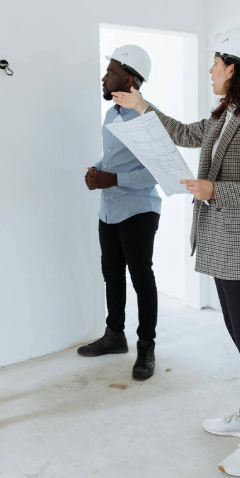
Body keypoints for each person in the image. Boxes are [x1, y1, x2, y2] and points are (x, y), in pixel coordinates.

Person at [111, 26, 240, 476]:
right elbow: (186, 133)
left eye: (215, 62)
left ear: (234, 67)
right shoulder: (228, 112)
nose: (210, 69)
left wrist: (215, 189)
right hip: (223, 246)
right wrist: (141, 106)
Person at [78, 45, 161, 381]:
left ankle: (146, 347)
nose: (104, 76)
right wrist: (96, 170)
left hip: (139, 211)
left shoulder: (147, 118)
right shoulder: (112, 114)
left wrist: (111, 179)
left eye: (110, 72)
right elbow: (112, 159)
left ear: (128, 79)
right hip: (109, 210)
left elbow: (155, 173)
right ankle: (115, 336)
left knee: (141, 278)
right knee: (112, 273)